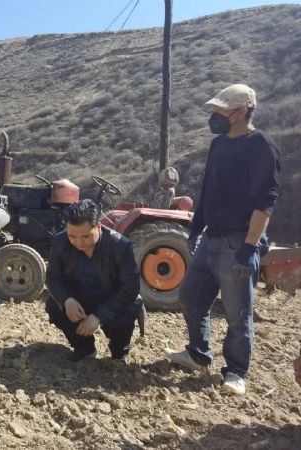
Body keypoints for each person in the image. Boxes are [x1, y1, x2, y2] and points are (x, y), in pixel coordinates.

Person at [165, 84, 282, 396]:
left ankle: (236, 371)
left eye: (221, 110)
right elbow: (207, 188)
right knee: (190, 296)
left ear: (241, 112)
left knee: (237, 313)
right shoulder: (218, 144)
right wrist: (196, 227)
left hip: (238, 240)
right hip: (211, 237)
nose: (214, 116)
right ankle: (198, 354)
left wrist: (249, 247)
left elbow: (266, 202)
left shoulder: (261, 146)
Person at [45, 199, 142, 362]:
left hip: (112, 299)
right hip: (80, 298)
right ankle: (84, 348)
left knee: (124, 318)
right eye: (72, 236)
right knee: (54, 306)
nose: (78, 242)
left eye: (85, 236)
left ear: (98, 227)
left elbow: (130, 287)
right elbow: (53, 277)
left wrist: (98, 316)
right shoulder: (60, 242)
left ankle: (119, 352)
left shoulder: (119, 245)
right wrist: (67, 300)